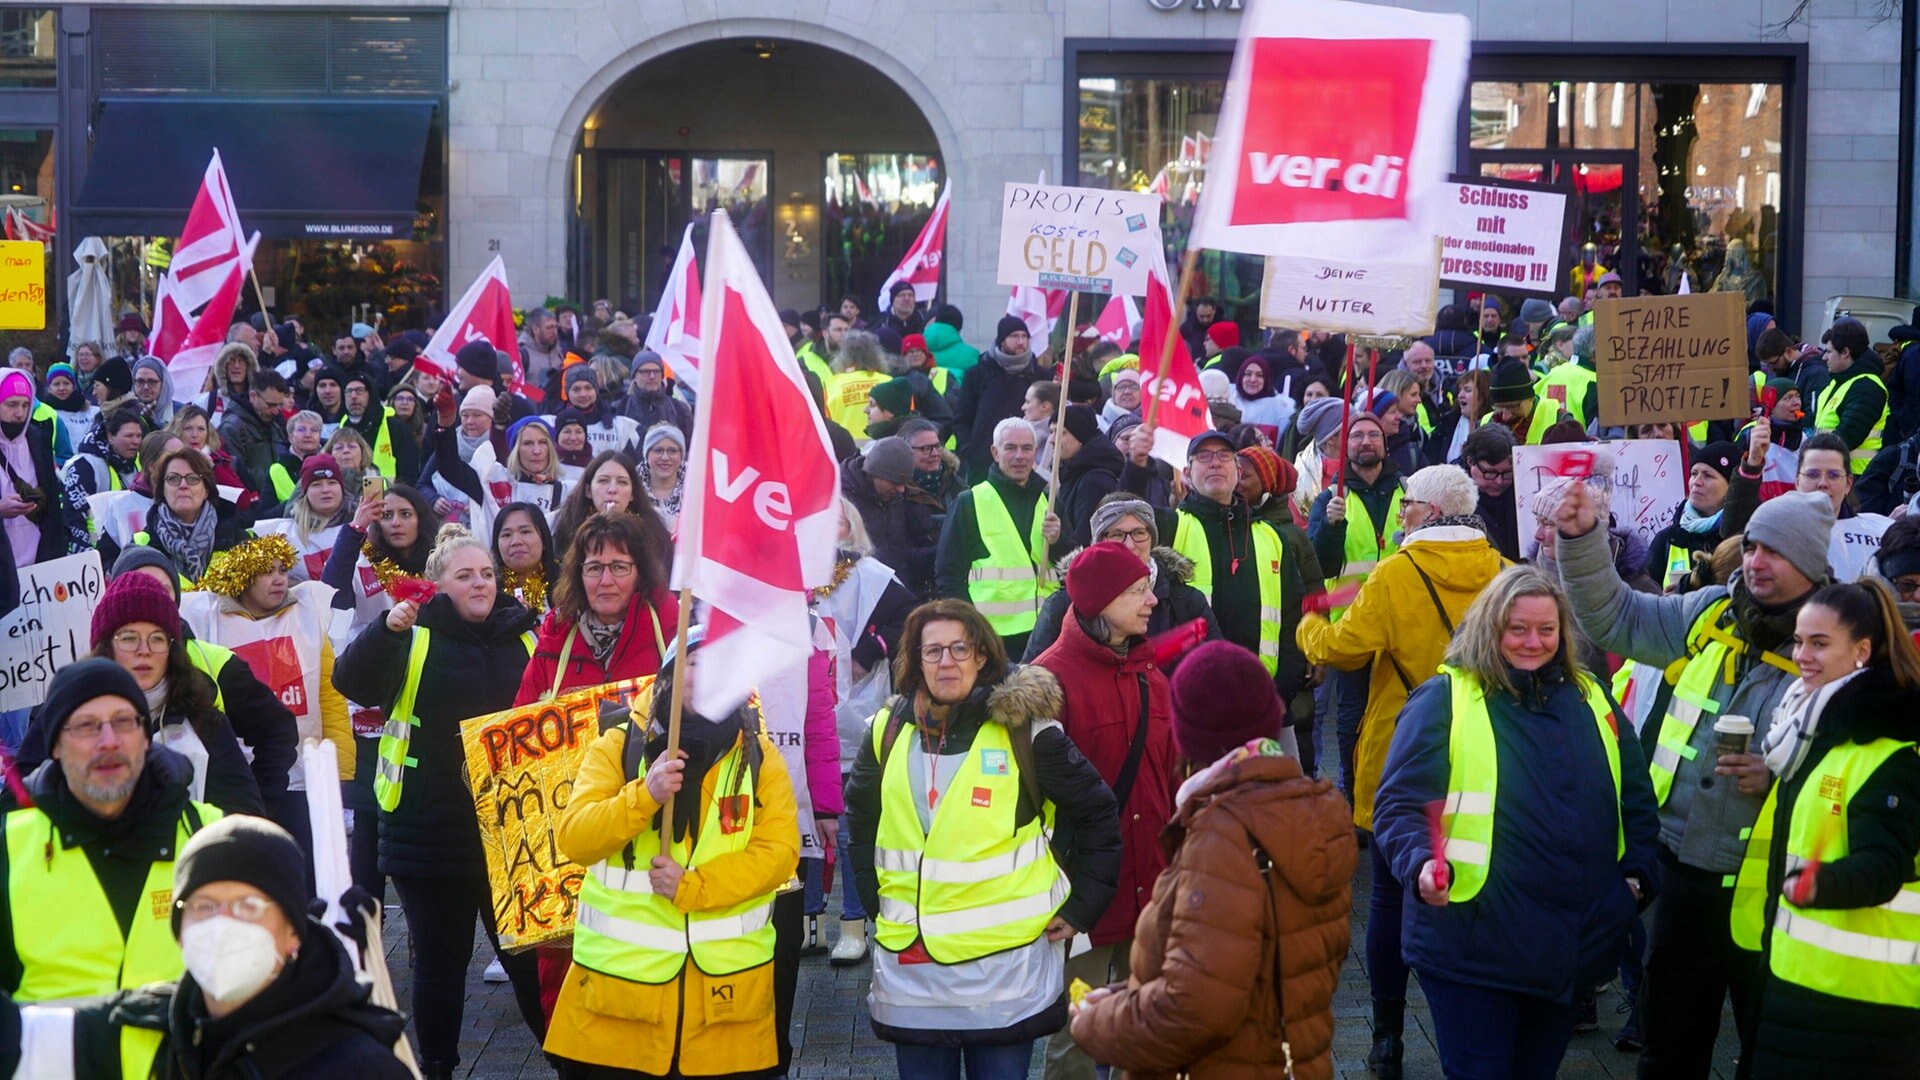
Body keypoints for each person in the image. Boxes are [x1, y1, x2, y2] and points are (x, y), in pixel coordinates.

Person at [1556, 478, 1836, 1074]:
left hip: (1774, 886)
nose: (1756, 561)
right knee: (1670, 1046)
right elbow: (1616, 618)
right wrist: (1581, 540)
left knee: (1769, 1051)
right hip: (1680, 871)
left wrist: (1782, 780)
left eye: (1775, 552)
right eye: (1753, 546)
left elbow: (1856, 764)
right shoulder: (1712, 611)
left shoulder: (1837, 643)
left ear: (1811, 565)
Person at [1374, 565, 1659, 1078]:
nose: (1534, 642)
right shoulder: (1445, 698)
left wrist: (1636, 879)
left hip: (1571, 941)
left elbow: (1636, 796)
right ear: (1490, 626)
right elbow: (1399, 804)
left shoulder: (1591, 696)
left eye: (1546, 630)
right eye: (1518, 628)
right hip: (1472, 942)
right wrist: (1418, 863)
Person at [845, 599, 1121, 1077]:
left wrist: (1081, 910)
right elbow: (862, 825)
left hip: (1004, 979)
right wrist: (876, 903)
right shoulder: (885, 734)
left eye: (959, 648)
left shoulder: (1027, 734)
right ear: (914, 659)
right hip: (914, 978)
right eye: (932, 651)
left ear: (982, 657)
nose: (946, 661)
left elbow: (1099, 815)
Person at [1296, 464, 1508, 1074]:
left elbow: (1343, 650)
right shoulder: (1505, 571)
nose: (1400, 513)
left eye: (1408, 504)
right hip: (1487, 751)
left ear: (1432, 514)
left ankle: (1388, 1037)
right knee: (1472, 885)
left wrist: (1311, 624)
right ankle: (1469, 1026)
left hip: (1404, 748)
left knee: (1390, 898)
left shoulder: (1396, 573)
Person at [1069, 640, 1355, 1080]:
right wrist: (1129, 995)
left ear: (1190, 736)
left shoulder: (1222, 835)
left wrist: (1095, 1022)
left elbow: (1195, 1009)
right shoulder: (1314, 809)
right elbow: (1247, 969)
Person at [332, 523, 547, 1076]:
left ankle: (565, 1058)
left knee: (529, 958)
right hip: (427, 830)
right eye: (464, 576)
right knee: (438, 966)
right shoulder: (414, 632)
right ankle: (438, 1067)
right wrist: (387, 627)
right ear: (436, 585)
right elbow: (351, 681)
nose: (480, 584)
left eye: (487, 575)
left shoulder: (527, 634)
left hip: (510, 832)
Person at [544, 644, 800, 1079]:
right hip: (620, 1009)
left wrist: (694, 886)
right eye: (691, 664)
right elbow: (577, 839)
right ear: (665, 679)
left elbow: (779, 854)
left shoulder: (759, 756)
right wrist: (645, 795)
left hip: (725, 1007)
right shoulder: (619, 744)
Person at [3, 814, 412, 1080]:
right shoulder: (149, 1027)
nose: (222, 924)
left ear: (293, 933)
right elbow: (22, 1038)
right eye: (204, 906)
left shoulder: (359, 1066)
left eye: (248, 907)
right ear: (180, 932)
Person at [0, 659, 223, 1072]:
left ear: (145, 736)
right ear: (54, 745)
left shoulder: (209, 834)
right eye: (86, 726)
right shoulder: (9, 843)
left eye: (124, 722)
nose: (108, 741)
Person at [1736, 579, 1920, 1078]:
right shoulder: (1813, 728)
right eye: (1799, 641)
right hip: (1798, 982)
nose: (1802, 656)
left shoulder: (1889, 748)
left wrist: (1817, 885)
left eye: (1819, 643)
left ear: (1862, 651)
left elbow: (1885, 864)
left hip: (1861, 1008)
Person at [1031, 544, 1175, 1080]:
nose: (1152, 601)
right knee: (1076, 1038)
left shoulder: (1149, 673)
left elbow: (1169, 780)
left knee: (1143, 1033)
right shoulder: (1048, 682)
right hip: (1084, 900)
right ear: (1100, 601)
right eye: (1138, 591)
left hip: (1149, 892)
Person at [180, 533, 351, 854]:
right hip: (240, 778)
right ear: (244, 575)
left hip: (303, 776)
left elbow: (330, 696)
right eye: (267, 571)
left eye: (283, 570)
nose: (279, 580)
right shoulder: (209, 620)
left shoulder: (307, 616)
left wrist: (340, 769)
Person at [812, 498, 918, 967]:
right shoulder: (788, 576)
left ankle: (853, 923)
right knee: (802, 818)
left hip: (857, 712)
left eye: (838, 516)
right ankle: (808, 918)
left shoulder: (872, 576)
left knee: (852, 821)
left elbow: (909, 620)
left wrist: (871, 647)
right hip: (802, 712)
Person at [1024, 494, 1219, 661]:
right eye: (1116, 534)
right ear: (1098, 543)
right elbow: (1033, 682)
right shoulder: (1064, 604)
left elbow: (1216, 670)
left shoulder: (1186, 602)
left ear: (1152, 539)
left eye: (1139, 533)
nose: (1130, 545)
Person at [516, 509, 677, 706]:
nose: (606, 581)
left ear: (640, 573)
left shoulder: (669, 627)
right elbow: (521, 717)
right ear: (579, 575)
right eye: (594, 568)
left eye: (619, 567)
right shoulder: (556, 634)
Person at [934, 417, 1062, 659]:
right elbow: (948, 572)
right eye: (1010, 447)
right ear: (995, 452)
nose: (1019, 456)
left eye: (1026, 448)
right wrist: (968, 625)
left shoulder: (1050, 500)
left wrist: (1060, 540)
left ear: (1035, 452)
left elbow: (1070, 563)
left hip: (1047, 630)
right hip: (992, 635)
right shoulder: (969, 501)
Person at [1728, 425, 1892, 583]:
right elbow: (1734, 531)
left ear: (1848, 483)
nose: (1822, 483)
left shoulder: (1882, 529)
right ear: (1797, 481)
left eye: (1833, 475)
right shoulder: (1775, 526)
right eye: (1812, 474)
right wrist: (1752, 464)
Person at [98, 447, 242, 585]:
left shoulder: (239, 540)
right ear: (162, 490)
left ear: (206, 490)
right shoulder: (141, 547)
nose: (183, 485)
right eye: (173, 479)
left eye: (192, 479)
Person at [841, 435, 940, 598]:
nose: (901, 489)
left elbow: (902, 554)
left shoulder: (894, 498)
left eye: (905, 483)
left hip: (895, 594)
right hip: (859, 599)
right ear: (873, 472)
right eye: (894, 482)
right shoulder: (842, 500)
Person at [955, 317, 1045, 482]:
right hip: (983, 464)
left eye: (1024, 336)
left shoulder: (1040, 376)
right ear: (1002, 340)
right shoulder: (978, 373)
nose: (1020, 341)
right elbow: (962, 418)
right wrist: (970, 449)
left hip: (1024, 463)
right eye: (1014, 336)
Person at [1647, 441, 1738, 591]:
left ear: (1731, 486)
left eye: (1708, 476)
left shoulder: (1742, 539)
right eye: (1694, 474)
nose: (1697, 482)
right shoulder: (1667, 539)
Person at [1814, 317, 1889, 474]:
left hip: (1856, 477)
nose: (1824, 357)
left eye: (1828, 352)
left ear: (1845, 353)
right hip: (1835, 471)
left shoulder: (1867, 387)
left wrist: (1811, 455)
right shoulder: (1839, 381)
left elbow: (1847, 437)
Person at [1051, 405, 1124, 553]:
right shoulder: (1073, 471)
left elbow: (1084, 544)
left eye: (1061, 432)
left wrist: (1056, 541)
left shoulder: (1094, 482)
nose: (1052, 439)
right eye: (1051, 432)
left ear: (1081, 436)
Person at [551, 450, 645, 543]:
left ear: (632, 493)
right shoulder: (555, 523)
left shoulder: (650, 529)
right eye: (603, 481)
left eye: (622, 482)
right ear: (588, 490)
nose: (612, 489)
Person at [492, 501, 559, 617]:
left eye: (525, 532)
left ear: (543, 540)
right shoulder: (490, 592)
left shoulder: (567, 583)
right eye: (507, 535)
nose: (516, 542)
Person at [619, 352, 693, 440]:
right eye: (645, 372)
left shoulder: (679, 409)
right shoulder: (620, 408)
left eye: (657, 371)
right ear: (634, 376)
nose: (652, 376)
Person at [1487, 357, 1561, 444]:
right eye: (1499, 407)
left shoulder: (1559, 420)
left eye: (1513, 406)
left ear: (1531, 397)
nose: (1505, 417)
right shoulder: (1485, 424)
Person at [41, 362, 98, 462]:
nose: (62, 388)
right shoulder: (45, 413)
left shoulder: (92, 411)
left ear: (73, 386)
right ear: (49, 388)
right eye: (56, 384)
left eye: (66, 383)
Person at [639, 421, 687, 529]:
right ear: (647, 454)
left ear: (681, 455)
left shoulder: (696, 486)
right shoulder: (631, 484)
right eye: (658, 450)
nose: (665, 457)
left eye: (672, 451)